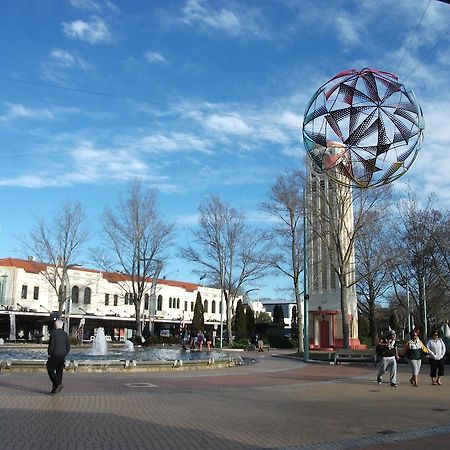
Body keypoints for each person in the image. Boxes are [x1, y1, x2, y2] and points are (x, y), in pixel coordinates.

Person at [46, 319, 70, 395]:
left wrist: (49, 353)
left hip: (54, 354)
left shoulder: (53, 333)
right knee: (59, 371)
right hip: (62, 355)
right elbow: (68, 346)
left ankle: (57, 383)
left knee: (49, 367)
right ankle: (55, 388)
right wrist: (65, 353)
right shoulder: (65, 334)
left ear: (55, 325)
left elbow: (51, 345)